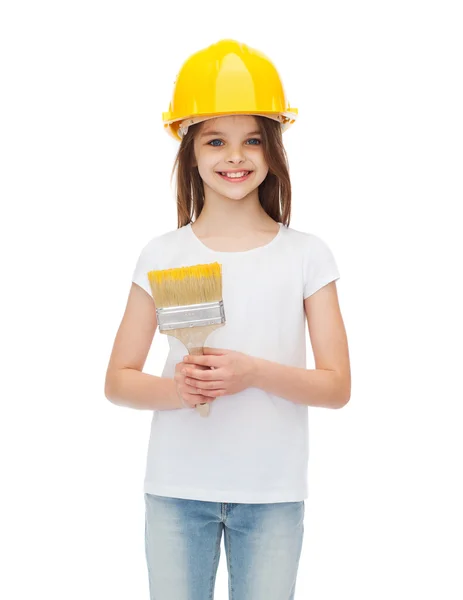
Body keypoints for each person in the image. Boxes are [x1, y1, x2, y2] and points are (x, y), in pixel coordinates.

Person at [105, 38, 351, 600]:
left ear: (273, 150)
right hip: (175, 490)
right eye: (216, 140)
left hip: (272, 494)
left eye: (252, 141)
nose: (234, 157)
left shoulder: (307, 255)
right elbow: (118, 379)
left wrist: (252, 373)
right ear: (190, 150)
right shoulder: (162, 255)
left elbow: (337, 387)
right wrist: (179, 389)